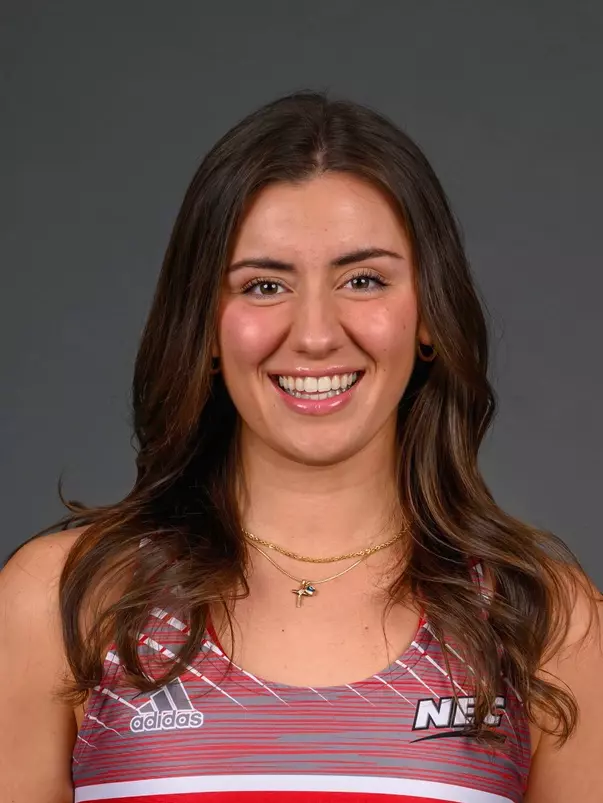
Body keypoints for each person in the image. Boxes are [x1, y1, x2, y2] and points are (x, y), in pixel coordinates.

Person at [1, 90, 601, 803]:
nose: (314, 333)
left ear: (429, 316)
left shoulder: (540, 618)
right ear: (207, 327)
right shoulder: (65, 601)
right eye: (263, 284)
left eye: (362, 279)